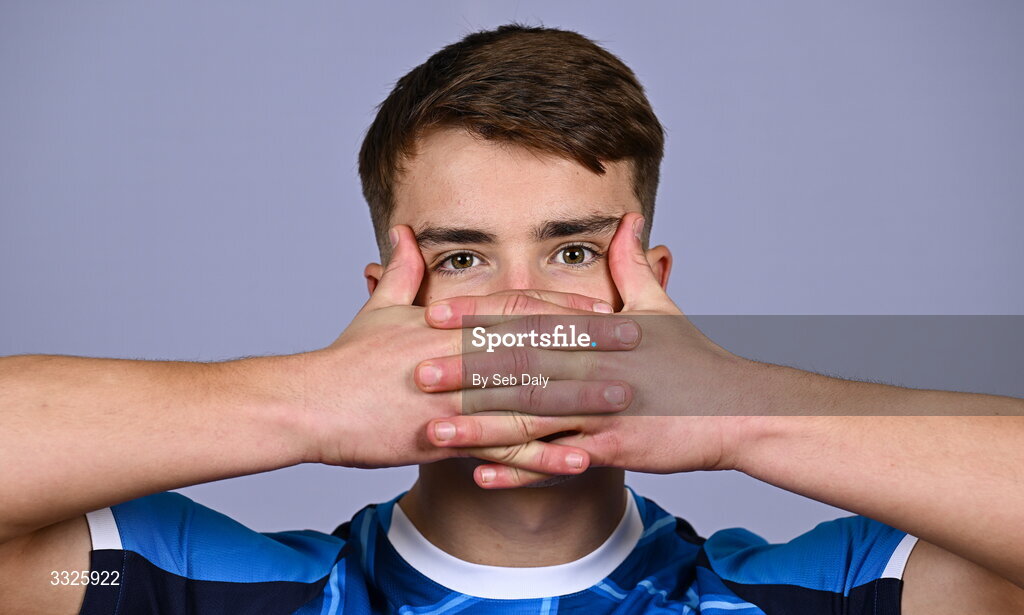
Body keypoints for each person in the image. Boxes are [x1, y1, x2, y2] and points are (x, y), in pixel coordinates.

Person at [1, 23, 1022, 615]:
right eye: (461, 257)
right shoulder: (191, 586)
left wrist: (739, 412)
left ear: (648, 286)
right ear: (387, 300)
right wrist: (305, 406)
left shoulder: (823, 593)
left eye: (573, 250)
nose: (519, 307)